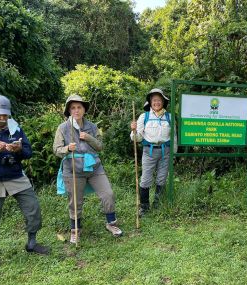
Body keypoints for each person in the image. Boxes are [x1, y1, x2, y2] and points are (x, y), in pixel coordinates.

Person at [0, 95, 50, 273]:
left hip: (15, 176)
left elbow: (28, 152)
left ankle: (32, 243)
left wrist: (19, 150)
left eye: (6, 115)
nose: (3, 119)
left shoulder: (14, 127)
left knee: (33, 208)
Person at [53, 94, 122, 244]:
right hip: (72, 169)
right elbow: (56, 150)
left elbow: (100, 146)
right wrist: (67, 148)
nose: (76, 111)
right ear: (69, 110)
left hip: (94, 167)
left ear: (84, 109)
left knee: (108, 194)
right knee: (75, 201)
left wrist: (88, 137)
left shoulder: (92, 126)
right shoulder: (63, 128)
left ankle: (111, 224)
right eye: (73, 108)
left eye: (79, 107)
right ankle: (75, 230)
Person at [130, 88, 177, 216]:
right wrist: (134, 131)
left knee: (162, 179)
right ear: (150, 102)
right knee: (145, 179)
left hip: (165, 152)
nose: (157, 102)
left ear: (163, 102)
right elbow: (137, 138)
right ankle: (144, 207)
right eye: (154, 100)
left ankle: (158, 205)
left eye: (159, 100)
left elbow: (174, 137)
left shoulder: (169, 117)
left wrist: (174, 153)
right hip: (149, 152)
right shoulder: (143, 117)